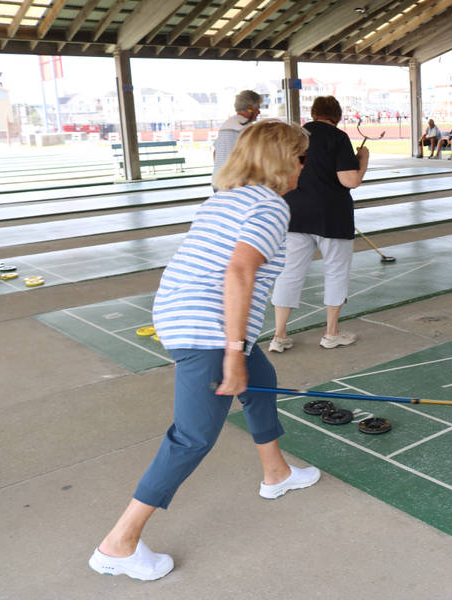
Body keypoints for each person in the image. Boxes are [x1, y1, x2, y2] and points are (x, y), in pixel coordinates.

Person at [88, 120, 314, 581]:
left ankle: (277, 473)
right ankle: (120, 543)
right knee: (193, 435)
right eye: (302, 157)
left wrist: (241, 351)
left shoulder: (226, 197)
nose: (304, 166)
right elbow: (238, 274)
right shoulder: (271, 207)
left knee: (261, 380)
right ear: (282, 160)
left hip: (183, 312)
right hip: (207, 326)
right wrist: (232, 350)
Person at [270, 96, 368, 353]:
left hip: (294, 213)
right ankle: (331, 333)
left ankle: (279, 336)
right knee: (335, 271)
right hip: (332, 216)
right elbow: (350, 181)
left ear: (313, 113)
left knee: (288, 273)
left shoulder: (294, 136)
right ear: (337, 116)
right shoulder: (338, 138)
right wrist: (363, 159)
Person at [211, 90, 262, 188]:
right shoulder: (247, 128)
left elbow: (215, 153)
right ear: (250, 108)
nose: (259, 112)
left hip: (218, 181)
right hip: (235, 184)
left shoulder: (226, 124)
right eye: (258, 108)